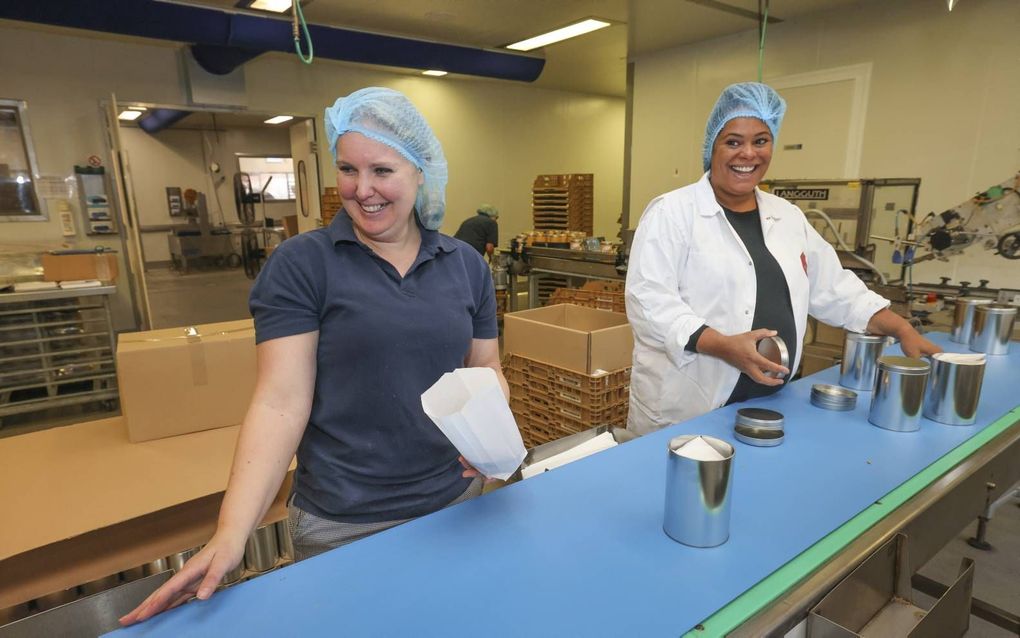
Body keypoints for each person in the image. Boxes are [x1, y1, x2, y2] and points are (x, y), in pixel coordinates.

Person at [121, 87, 508, 625]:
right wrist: (233, 533)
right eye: (348, 169)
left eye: (382, 171)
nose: (362, 189)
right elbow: (280, 402)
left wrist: (490, 440)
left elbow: (485, 367)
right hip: (343, 523)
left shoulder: (466, 265)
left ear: (421, 172)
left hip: (454, 504)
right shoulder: (303, 265)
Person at [625, 82, 940, 436]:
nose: (748, 154)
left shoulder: (787, 216)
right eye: (733, 141)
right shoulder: (673, 212)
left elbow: (835, 289)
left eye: (761, 141)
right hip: (689, 405)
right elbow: (649, 301)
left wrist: (901, 328)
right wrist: (723, 346)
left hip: (770, 401)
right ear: (711, 145)